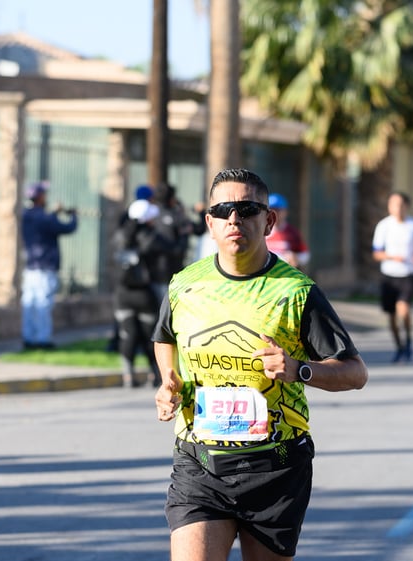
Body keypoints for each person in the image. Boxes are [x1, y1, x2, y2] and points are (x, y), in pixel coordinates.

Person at [152, 168, 368, 561]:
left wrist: (299, 369)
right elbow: (165, 336)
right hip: (199, 464)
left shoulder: (297, 292)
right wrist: (169, 380)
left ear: (268, 221)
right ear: (210, 223)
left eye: (247, 208)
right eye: (223, 210)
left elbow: (355, 372)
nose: (234, 218)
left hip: (276, 469)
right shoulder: (184, 285)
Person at [111, 199, 173, 387]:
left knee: (128, 333)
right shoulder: (151, 236)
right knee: (150, 334)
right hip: (144, 294)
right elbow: (172, 247)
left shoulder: (120, 235)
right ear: (148, 219)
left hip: (122, 294)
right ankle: (154, 374)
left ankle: (128, 376)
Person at [371, 192, 413, 362]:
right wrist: (391, 257)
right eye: (393, 204)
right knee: (391, 316)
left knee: (403, 310)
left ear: (407, 206)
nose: (396, 208)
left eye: (400, 204)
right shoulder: (383, 226)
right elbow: (376, 253)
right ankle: (399, 346)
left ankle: (409, 339)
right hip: (389, 275)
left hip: (408, 274)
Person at [20, 181, 78, 350]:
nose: (46, 197)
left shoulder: (27, 215)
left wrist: (53, 213)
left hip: (31, 267)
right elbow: (68, 227)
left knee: (29, 305)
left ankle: (29, 338)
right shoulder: (43, 218)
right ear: (39, 197)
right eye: (44, 194)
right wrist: (72, 215)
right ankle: (43, 340)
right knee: (43, 305)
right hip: (44, 267)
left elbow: (45, 220)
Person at [151, 183, 205, 301]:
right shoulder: (176, 216)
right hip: (172, 274)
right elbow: (200, 229)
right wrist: (201, 212)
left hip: (150, 276)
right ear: (171, 198)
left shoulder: (150, 215)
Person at [266, 193, 311, 269]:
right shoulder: (261, 232)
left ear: (285, 212)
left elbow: (305, 255)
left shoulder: (292, 233)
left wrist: (295, 257)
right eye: (271, 210)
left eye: (278, 210)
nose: (274, 214)